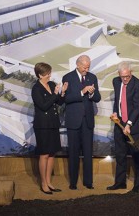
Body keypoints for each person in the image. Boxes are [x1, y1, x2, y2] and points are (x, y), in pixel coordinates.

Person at [107, 61, 139, 193]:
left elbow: (137, 107)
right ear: (119, 74)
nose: (125, 79)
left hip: (135, 125)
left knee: (136, 155)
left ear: (131, 73)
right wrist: (114, 112)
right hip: (119, 124)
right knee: (120, 154)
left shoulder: (138, 85)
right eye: (122, 76)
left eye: (127, 76)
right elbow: (118, 101)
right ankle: (120, 183)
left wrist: (129, 124)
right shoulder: (116, 81)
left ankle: (137, 185)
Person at [62, 55, 101, 190]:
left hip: (88, 121)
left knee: (88, 152)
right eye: (85, 66)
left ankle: (88, 181)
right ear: (78, 65)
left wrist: (91, 93)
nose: (87, 69)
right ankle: (73, 182)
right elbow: (66, 99)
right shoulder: (68, 77)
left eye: (88, 66)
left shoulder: (92, 77)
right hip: (73, 121)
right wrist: (82, 92)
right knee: (73, 152)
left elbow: (97, 97)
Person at [31, 62, 68, 194]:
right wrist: (55, 94)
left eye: (50, 73)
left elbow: (59, 102)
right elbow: (44, 106)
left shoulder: (51, 85)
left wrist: (62, 93)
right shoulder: (36, 89)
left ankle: (49, 181)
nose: (49, 75)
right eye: (47, 74)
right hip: (42, 126)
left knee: (52, 153)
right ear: (40, 75)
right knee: (44, 154)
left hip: (53, 123)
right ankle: (43, 183)